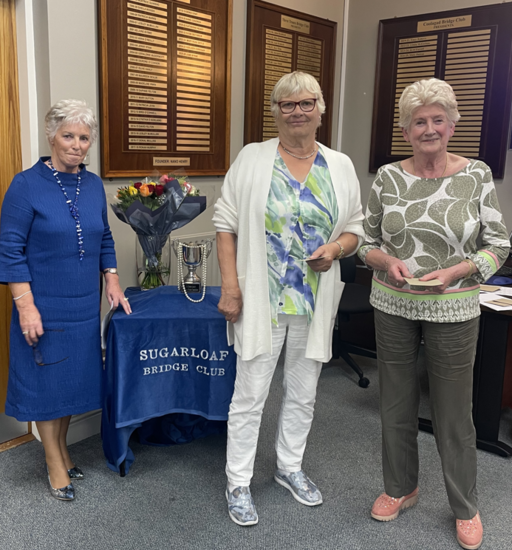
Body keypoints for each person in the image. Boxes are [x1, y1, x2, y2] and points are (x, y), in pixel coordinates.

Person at [358, 78, 510, 549]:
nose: (429, 129)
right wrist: (386, 262)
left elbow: (499, 244)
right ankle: (400, 487)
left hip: (454, 307)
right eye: (419, 121)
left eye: (437, 120)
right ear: (406, 130)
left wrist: (460, 270)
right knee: (395, 402)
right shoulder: (388, 177)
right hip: (393, 303)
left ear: (451, 125)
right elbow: (365, 243)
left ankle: (465, 506)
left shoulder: (477, 174)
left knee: (453, 413)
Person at [213, 71, 365, 526]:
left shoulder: (340, 165)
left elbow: (355, 229)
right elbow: (225, 225)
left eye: (306, 103)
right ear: (276, 111)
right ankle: (238, 481)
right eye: (287, 104)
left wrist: (336, 249)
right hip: (261, 300)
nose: (297, 111)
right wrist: (230, 287)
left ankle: (289, 467)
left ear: (320, 109)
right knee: (250, 394)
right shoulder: (253, 158)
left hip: (313, 302)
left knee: (303, 393)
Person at [0, 99, 131, 501]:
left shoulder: (91, 185)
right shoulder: (26, 185)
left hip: (83, 306)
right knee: (47, 383)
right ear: (51, 136)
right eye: (68, 136)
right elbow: (9, 250)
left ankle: (60, 450)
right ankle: (54, 461)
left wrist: (112, 278)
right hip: (43, 305)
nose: (76, 145)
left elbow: (104, 237)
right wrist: (25, 306)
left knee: (72, 382)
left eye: (84, 138)